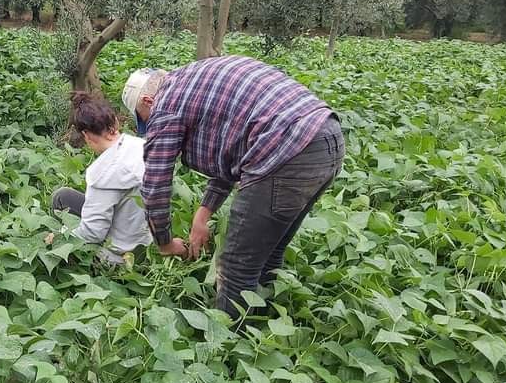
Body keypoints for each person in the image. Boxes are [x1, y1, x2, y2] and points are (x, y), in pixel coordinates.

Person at [121, 58, 343, 320]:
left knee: (236, 267)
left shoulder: (166, 105)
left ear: (148, 101)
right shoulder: (195, 78)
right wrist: (202, 215)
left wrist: (165, 243)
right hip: (327, 138)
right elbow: (231, 152)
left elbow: (156, 184)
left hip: (285, 148)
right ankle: (265, 324)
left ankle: (229, 346)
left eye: (146, 120)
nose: (151, 126)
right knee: (268, 254)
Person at [49, 92, 153, 263]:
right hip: (148, 241)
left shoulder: (102, 173)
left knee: (61, 214)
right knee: (63, 196)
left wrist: (61, 237)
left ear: (87, 136)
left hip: (118, 257)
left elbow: (93, 233)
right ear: (116, 123)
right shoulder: (143, 146)